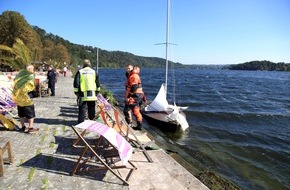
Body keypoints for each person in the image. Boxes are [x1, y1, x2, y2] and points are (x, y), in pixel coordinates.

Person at [12, 65, 39, 133]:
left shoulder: (19, 75)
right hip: (26, 99)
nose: (33, 70)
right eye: (32, 69)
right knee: (30, 114)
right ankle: (30, 128)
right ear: (30, 69)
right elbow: (28, 87)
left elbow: (15, 84)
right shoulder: (29, 75)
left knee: (21, 114)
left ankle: (23, 127)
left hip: (18, 98)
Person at [73, 59, 100, 124]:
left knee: (82, 109)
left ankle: (81, 123)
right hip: (92, 94)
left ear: (83, 64)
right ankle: (91, 122)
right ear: (89, 64)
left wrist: (76, 92)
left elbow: (76, 83)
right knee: (91, 109)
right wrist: (97, 91)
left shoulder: (80, 72)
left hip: (83, 94)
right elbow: (98, 83)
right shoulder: (94, 72)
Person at [123, 64, 145, 130]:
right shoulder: (131, 75)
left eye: (129, 68)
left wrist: (128, 97)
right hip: (137, 95)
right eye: (127, 68)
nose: (127, 69)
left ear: (132, 69)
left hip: (135, 95)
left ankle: (129, 124)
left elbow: (134, 86)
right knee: (136, 110)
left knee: (126, 110)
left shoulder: (134, 76)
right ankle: (139, 126)